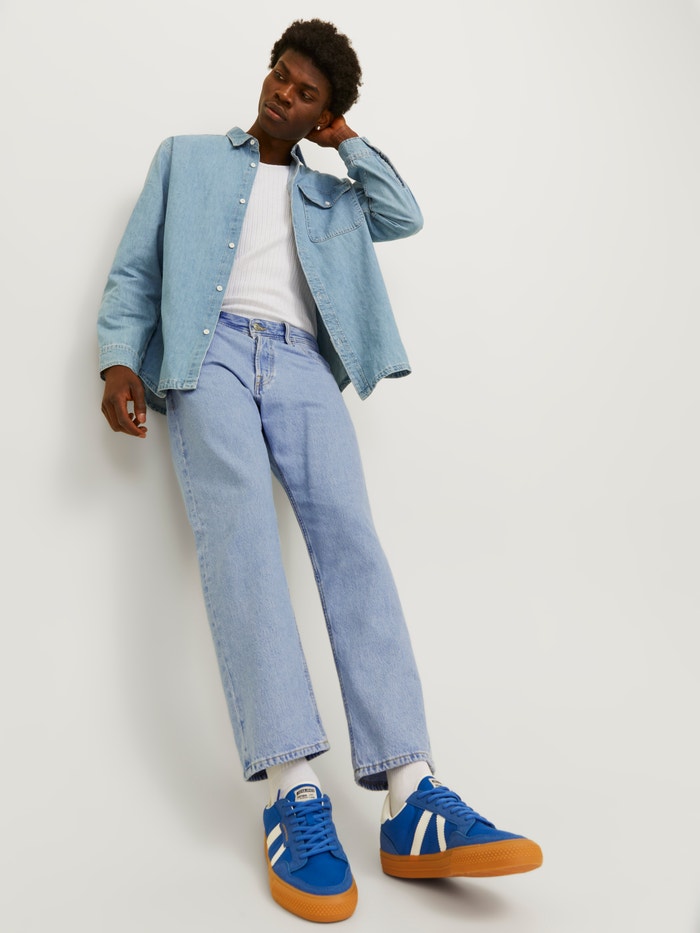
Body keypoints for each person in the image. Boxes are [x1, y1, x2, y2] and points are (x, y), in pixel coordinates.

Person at [98, 18, 542, 923]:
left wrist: (348, 142)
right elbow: (136, 271)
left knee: (354, 550)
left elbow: (404, 215)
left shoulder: (332, 195)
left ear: (321, 115)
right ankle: (293, 790)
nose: (283, 95)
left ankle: (412, 795)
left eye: (306, 94)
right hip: (208, 356)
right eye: (281, 75)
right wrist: (117, 361)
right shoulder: (184, 157)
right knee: (243, 550)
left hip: (302, 363)